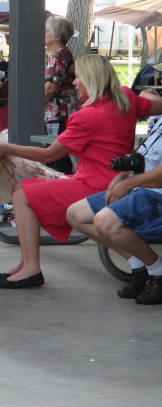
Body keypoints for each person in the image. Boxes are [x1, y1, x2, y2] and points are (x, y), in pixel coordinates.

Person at [0, 55, 161, 288]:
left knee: (22, 193)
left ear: (91, 79)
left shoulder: (86, 117)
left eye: (78, 78)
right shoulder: (126, 99)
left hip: (94, 186)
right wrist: (150, 93)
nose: (74, 83)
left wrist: (6, 148)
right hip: (115, 180)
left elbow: (49, 155)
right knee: (21, 189)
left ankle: (31, 268)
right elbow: (155, 103)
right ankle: (27, 264)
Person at [67, 97, 162, 304]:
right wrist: (121, 176)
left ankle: (158, 271)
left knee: (104, 221)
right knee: (76, 214)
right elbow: (143, 156)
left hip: (156, 193)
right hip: (142, 187)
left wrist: (128, 183)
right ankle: (139, 265)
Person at [44, 15, 79, 174]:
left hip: (59, 114)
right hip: (64, 112)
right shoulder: (61, 54)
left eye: (46, 31)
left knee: (56, 161)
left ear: (57, 36)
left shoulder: (57, 57)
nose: (43, 35)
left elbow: (50, 89)